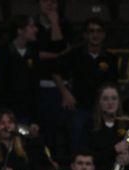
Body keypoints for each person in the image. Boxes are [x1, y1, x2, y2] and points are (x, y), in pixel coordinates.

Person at [56, 18, 118, 151]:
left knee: (102, 143)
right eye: (91, 31)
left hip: (102, 109)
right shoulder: (75, 54)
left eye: (98, 31)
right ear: (85, 35)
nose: (95, 35)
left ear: (103, 35)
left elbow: (113, 86)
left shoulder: (110, 58)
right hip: (80, 107)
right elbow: (56, 73)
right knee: (77, 142)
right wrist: (65, 93)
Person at [34, 0, 71, 152]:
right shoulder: (32, 25)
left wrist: (54, 23)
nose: (49, 4)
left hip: (61, 87)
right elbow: (33, 54)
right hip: (38, 87)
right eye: (45, 0)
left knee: (59, 130)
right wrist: (56, 55)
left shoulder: (65, 25)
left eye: (53, 1)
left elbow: (61, 47)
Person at [0, 15, 40, 126]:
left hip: (27, 114)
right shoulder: (3, 53)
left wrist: (35, 120)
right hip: (7, 115)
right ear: (20, 30)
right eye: (31, 26)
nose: (36, 30)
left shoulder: (33, 53)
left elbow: (35, 88)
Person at [86, 83, 129, 170]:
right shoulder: (90, 126)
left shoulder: (127, 125)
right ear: (99, 103)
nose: (110, 102)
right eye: (105, 99)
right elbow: (88, 158)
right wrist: (114, 150)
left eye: (114, 98)